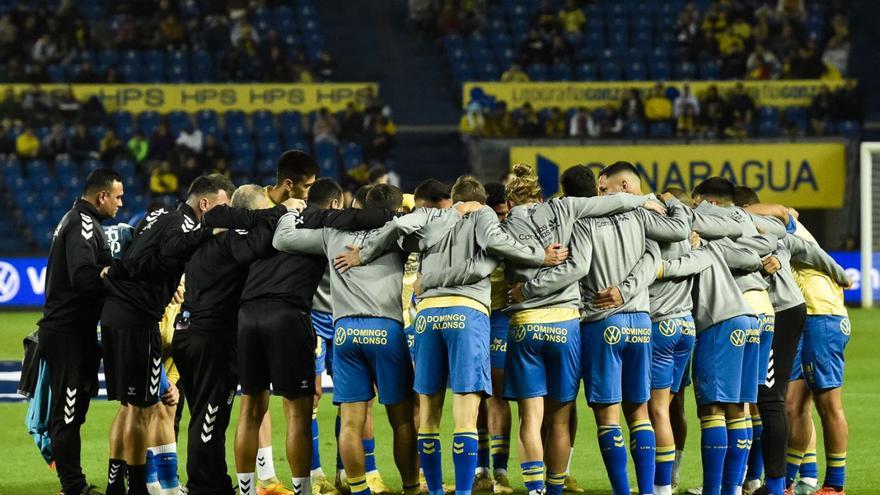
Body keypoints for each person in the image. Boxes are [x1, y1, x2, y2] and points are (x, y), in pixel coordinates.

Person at [274, 184, 459, 495]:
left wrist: (289, 212)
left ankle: (359, 489)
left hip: (345, 332)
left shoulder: (332, 233)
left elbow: (282, 239)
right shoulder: (398, 234)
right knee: (402, 421)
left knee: (350, 422)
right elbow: (440, 229)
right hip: (386, 330)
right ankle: (412, 488)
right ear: (394, 209)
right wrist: (417, 210)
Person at [518, 162, 688, 495]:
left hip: (602, 321)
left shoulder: (582, 220)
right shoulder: (642, 215)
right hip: (640, 321)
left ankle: (623, 492)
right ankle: (652, 491)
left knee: (607, 418)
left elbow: (578, 267)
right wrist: (628, 289)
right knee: (640, 412)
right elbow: (656, 252)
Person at [396, 176, 572, 495]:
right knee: (465, 416)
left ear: (453, 198)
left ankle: (435, 491)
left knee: (429, 417)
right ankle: (465, 490)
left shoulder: (434, 217)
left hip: (427, 313)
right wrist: (540, 255)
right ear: (481, 200)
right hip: (466, 312)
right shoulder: (484, 215)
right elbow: (497, 243)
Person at [101, 174, 273, 495]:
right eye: (223, 207)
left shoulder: (172, 222)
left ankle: (144, 485)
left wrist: (120, 271)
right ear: (206, 204)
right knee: (184, 414)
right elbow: (161, 252)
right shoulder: (210, 237)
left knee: (147, 408)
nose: (226, 214)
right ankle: (196, 486)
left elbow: (147, 250)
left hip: (172, 328)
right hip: (183, 330)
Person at [234, 156, 392, 495]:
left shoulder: (271, 218)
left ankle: (246, 489)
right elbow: (365, 219)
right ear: (333, 203)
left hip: (247, 315)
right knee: (298, 413)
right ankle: (303, 490)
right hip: (287, 316)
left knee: (250, 408)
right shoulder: (322, 223)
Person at [593, 166, 743, 495]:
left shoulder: (640, 221)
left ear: (624, 185)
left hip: (659, 324)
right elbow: (704, 253)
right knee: (671, 406)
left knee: (653, 410)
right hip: (686, 326)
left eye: (604, 190)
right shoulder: (683, 221)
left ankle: (660, 488)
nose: (602, 197)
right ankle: (675, 480)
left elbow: (644, 263)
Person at [174, 184, 298, 495]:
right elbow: (259, 242)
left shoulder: (208, 241)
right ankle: (206, 487)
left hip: (189, 333)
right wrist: (281, 211)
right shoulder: (231, 241)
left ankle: (210, 482)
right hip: (212, 338)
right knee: (210, 420)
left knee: (203, 415)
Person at [37, 168, 124, 495]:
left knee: (73, 414)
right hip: (68, 335)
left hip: (75, 333)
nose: (120, 202)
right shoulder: (84, 225)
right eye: (117, 196)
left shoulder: (76, 220)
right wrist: (120, 280)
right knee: (67, 416)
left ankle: (71, 484)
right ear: (101, 196)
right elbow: (84, 278)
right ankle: (73, 488)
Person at [780, 222, 852, 495]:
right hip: (805, 317)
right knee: (793, 403)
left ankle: (835, 484)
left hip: (822, 316)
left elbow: (784, 213)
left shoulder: (782, 224)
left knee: (828, 404)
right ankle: (783, 483)